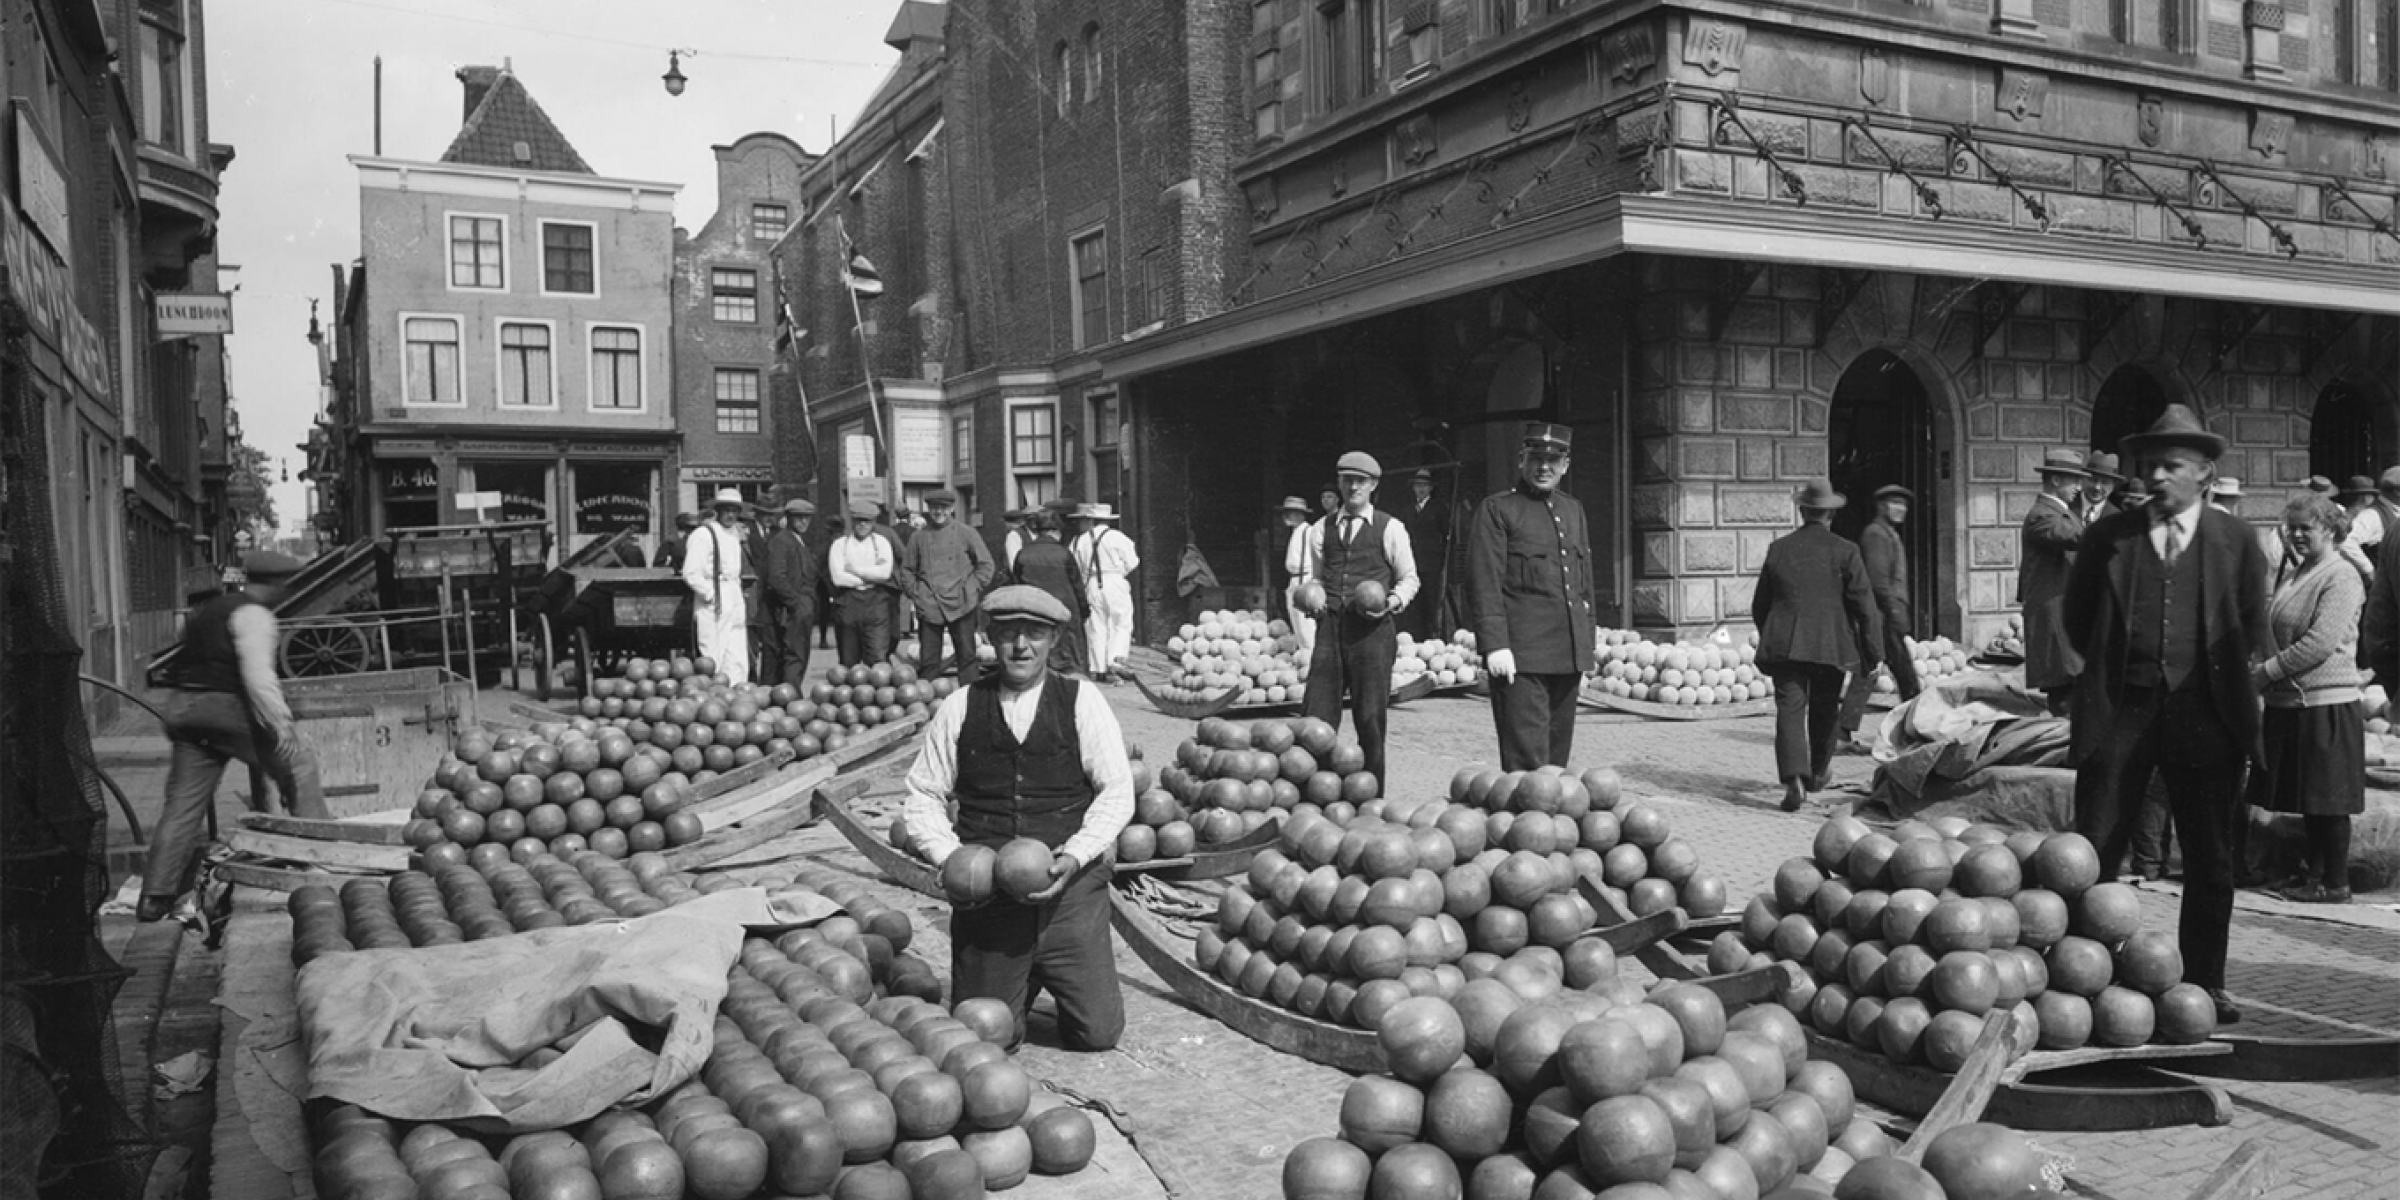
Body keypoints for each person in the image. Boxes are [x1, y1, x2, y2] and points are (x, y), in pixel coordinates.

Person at [2063, 403, 2266, 1026]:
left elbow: (2252, 627)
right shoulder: (2107, 537)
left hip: (2206, 714)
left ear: (2205, 473)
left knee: (2209, 856)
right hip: (2122, 711)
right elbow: (2077, 617)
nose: (2155, 476)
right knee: (2097, 849)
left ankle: (2206, 981)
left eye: (2171, 466)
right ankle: (2081, 979)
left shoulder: (2236, 540)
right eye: (2149, 465)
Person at [899, 585, 1133, 1051]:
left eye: (1034, 634)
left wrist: (1077, 854)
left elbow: (1117, 790)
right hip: (991, 906)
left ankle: (1045, 973)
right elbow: (922, 793)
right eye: (1008, 634)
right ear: (989, 636)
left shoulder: (1081, 700)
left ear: (1053, 640)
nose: (1021, 646)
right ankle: (1017, 980)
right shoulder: (960, 705)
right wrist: (952, 859)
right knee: (988, 1040)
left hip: (1069, 899)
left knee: (1098, 1035)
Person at [143, 550, 329, 922]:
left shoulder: (209, 610)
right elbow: (258, 677)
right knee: (298, 765)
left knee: (182, 806)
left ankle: (154, 897)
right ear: (275, 585)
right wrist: (281, 724)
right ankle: (324, 860)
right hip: (224, 710)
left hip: (184, 710)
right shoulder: (255, 616)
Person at [2252, 494, 2365, 905]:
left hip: (2326, 703)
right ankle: (2315, 877)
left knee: (2329, 798)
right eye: (2292, 528)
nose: (2296, 536)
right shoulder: (2298, 572)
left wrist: (2264, 674)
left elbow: (2319, 642)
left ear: (2331, 532)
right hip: (2294, 702)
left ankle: (2335, 883)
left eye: (2306, 529)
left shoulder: (2342, 575)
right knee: (2311, 798)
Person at [1464, 423, 1596, 771]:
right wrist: (1495, 644)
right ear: (1522, 459)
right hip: (1521, 658)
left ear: (1566, 465)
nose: (1544, 467)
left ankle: (1554, 825)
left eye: (1554, 460)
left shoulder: (1573, 510)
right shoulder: (1498, 510)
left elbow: (1584, 588)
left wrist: (1585, 649)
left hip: (1566, 656)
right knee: (1527, 766)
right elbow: (1484, 581)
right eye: (1536, 458)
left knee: (1556, 762)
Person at [1752, 479, 1883, 813]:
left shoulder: (1778, 548)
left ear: (1802, 511)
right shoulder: (1846, 550)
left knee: (1790, 709)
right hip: (1830, 645)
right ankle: (1818, 772)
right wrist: (1873, 653)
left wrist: (1774, 633)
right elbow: (1864, 606)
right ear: (1830, 515)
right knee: (1825, 710)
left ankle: (1793, 778)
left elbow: (1760, 604)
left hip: (1786, 644)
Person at [1297, 451, 1419, 785]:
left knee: (1369, 717)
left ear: (1373, 485)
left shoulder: (1390, 527)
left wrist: (1392, 601)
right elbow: (1315, 577)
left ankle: (1370, 793)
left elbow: (1410, 578)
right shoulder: (1321, 529)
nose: (1353, 487)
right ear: (1339, 483)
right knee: (1317, 716)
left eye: (1360, 481)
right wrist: (1313, 596)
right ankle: (1315, 790)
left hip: (1372, 633)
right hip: (1331, 629)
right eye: (1347, 480)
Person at [1838, 484, 1920, 752]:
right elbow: (1878, 581)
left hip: (1885, 616)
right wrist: (1895, 613)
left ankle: (1843, 730)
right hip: (1883, 617)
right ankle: (1919, 728)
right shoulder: (1875, 534)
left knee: (1871, 672)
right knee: (1905, 676)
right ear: (1881, 507)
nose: (1901, 509)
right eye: (1894, 503)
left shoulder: (1888, 534)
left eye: (1904, 504)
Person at [2020, 449, 2090, 716]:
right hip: (2053, 614)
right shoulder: (2042, 514)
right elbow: (2072, 538)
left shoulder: (2061, 512)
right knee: (2063, 692)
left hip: (2064, 613)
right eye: (2074, 480)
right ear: (2056, 481)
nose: (2079, 488)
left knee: (2071, 687)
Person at [901, 491, 999, 683]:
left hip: (962, 604)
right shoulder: (918, 538)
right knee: (929, 660)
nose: (939, 512)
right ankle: (929, 701)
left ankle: (969, 701)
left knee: (967, 657)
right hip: (930, 605)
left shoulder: (967, 533)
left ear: (952, 509)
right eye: (934, 508)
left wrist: (971, 589)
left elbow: (986, 565)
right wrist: (918, 594)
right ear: (928, 510)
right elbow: (906, 571)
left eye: (944, 508)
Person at [682, 489, 753, 686]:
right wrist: (711, 594)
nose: (731, 515)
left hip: (734, 595)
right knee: (713, 653)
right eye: (726, 510)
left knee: (737, 653)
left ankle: (737, 693)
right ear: (717, 511)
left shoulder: (733, 535)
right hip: (714, 598)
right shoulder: (703, 534)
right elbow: (691, 573)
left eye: (735, 511)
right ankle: (713, 699)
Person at [1010, 510, 1089, 674]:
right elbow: (1077, 586)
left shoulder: (1023, 554)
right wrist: (1084, 611)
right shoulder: (1064, 554)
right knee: (1068, 662)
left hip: (1035, 612)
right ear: (1055, 531)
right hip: (1065, 613)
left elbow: (1016, 586)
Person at [1073, 503, 1142, 682]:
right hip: (1114, 581)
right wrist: (1119, 571)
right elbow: (1133, 562)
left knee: (1096, 625)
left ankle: (1098, 668)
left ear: (1092, 520)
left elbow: (1078, 565)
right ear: (1109, 521)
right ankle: (1116, 661)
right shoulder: (1118, 537)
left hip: (1093, 583)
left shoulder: (1082, 539)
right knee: (1121, 622)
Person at [828, 506, 898, 666]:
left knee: (877, 656)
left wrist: (854, 570)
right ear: (852, 522)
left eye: (867, 521)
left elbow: (885, 574)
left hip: (876, 601)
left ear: (874, 523)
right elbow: (838, 578)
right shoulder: (840, 545)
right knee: (848, 659)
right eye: (859, 521)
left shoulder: (882, 544)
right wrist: (870, 576)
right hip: (848, 602)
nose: (863, 525)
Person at [764, 498, 821, 688]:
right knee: (793, 656)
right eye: (799, 518)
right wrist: (796, 603)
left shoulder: (798, 541)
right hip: (791, 610)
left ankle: (790, 694)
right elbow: (776, 577)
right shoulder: (782, 541)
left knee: (798, 655)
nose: (804, 522)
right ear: (788, 518)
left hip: (801, 607)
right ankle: (790, 697)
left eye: (807, 518)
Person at [1396, 468, 1452, 641]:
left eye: (1424, 486)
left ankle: (1434, 639)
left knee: (1432, 603)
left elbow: (1447, 535)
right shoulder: (1407, 511)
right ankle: (1416, 639)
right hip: (1412, 563)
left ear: (1430, 488)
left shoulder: (1440, 508)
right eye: (1417, 486)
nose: (1420, 489)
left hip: (1432, 564)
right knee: (1414, 605)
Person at [1279, 496, 1319, 657]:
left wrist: (1304, 586)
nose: (1287, 517)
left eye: (1292, 513)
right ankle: (1304, 654)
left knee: (1305, 622)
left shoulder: (1307, 531)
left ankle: (1310, 656)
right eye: (1287, 513)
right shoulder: (1296, 532)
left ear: (1301, 515)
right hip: (1295, 579)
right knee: (1296, 621)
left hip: (1304, 579)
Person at [744, 503, 777, 685]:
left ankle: (763, 678)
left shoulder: (773, 533)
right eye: (765, 514)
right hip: (753, 592)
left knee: (764, 637)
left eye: (771, 514)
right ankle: (751, 675)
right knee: (751, 638)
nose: (769, 518)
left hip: (766, 593)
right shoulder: (749, 533)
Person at [2081, 452, 2127, 522]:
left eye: (2104, 482)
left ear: (2113, 486)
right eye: (2093, 480)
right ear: (2083, 479)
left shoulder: (2117, 518)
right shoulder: (2066, 506)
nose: (2097, 487)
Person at [1001, 507, 1031, 577]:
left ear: (1009, 523)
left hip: (1018, 577)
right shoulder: (1027, 533)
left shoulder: (1013, 535)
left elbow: (1013, 560)